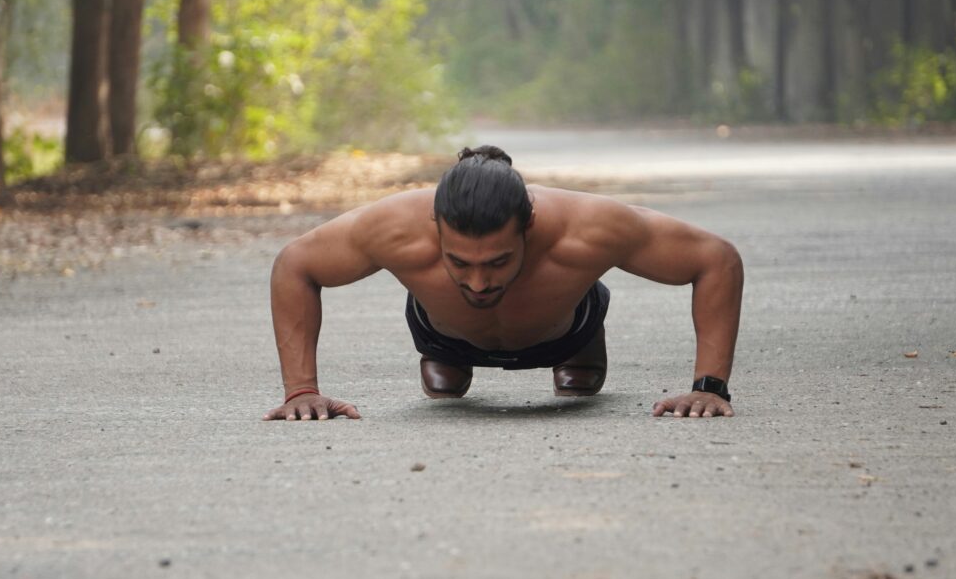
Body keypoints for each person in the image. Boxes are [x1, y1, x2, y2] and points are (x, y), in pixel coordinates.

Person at [264, 145, 743, 421]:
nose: (477, 281)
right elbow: (294, 265)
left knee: (574, 348)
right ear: (434, 224)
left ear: (528, 225)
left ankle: (582, 342)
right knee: (445, 386)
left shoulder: (590, 228)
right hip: (443, 331)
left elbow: (715, 259)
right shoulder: (392, 227)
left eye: (497, 261)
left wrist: (709, 387)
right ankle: (447, 353)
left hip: (563, 331)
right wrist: (300, 391)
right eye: (459, 261)